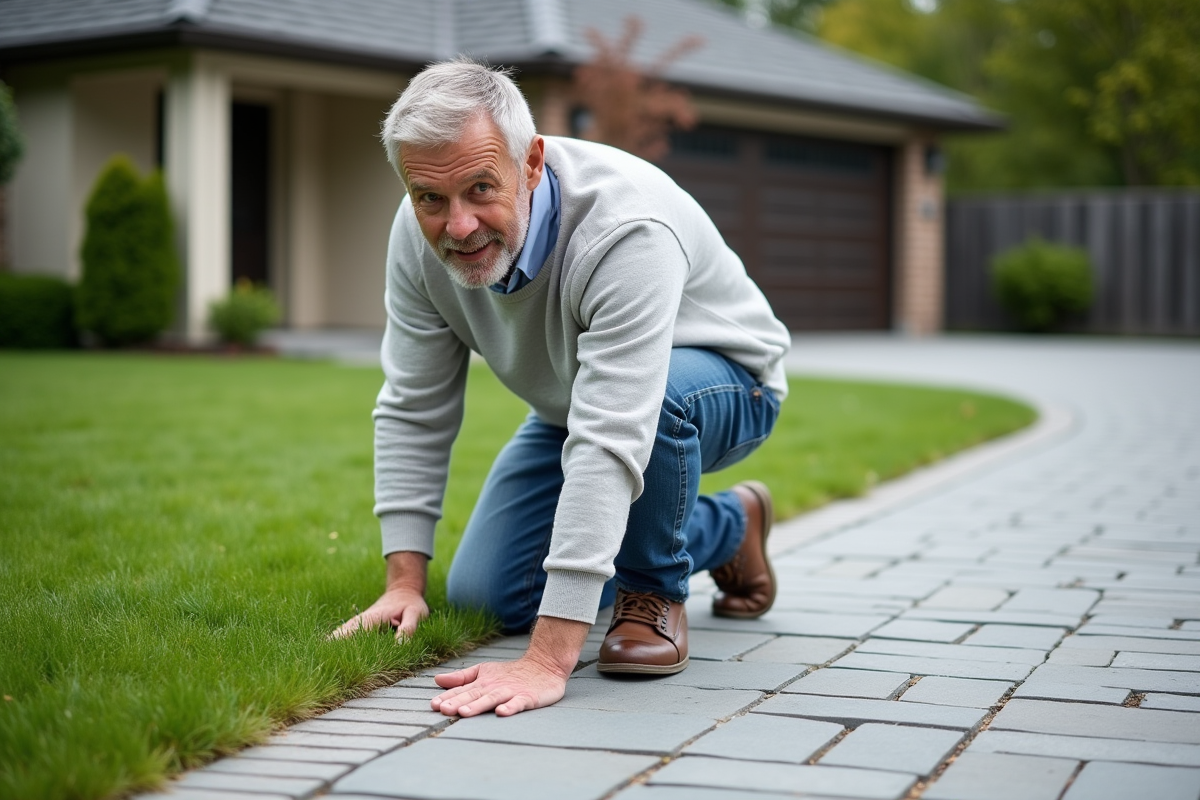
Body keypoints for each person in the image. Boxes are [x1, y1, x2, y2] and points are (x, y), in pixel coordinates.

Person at [333, 58, 790, 718]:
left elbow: (610, 435)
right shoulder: (414, 237)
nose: (457, 225)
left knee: (655, 404)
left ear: (532, 163)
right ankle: (731, 525)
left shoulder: (625, 229)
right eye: (431, 197)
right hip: (579, 400)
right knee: (489, 594)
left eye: (481, 189)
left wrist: (548, 658)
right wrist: (402, 582)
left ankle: (653, 590)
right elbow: (413, 407)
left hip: (726, 383)